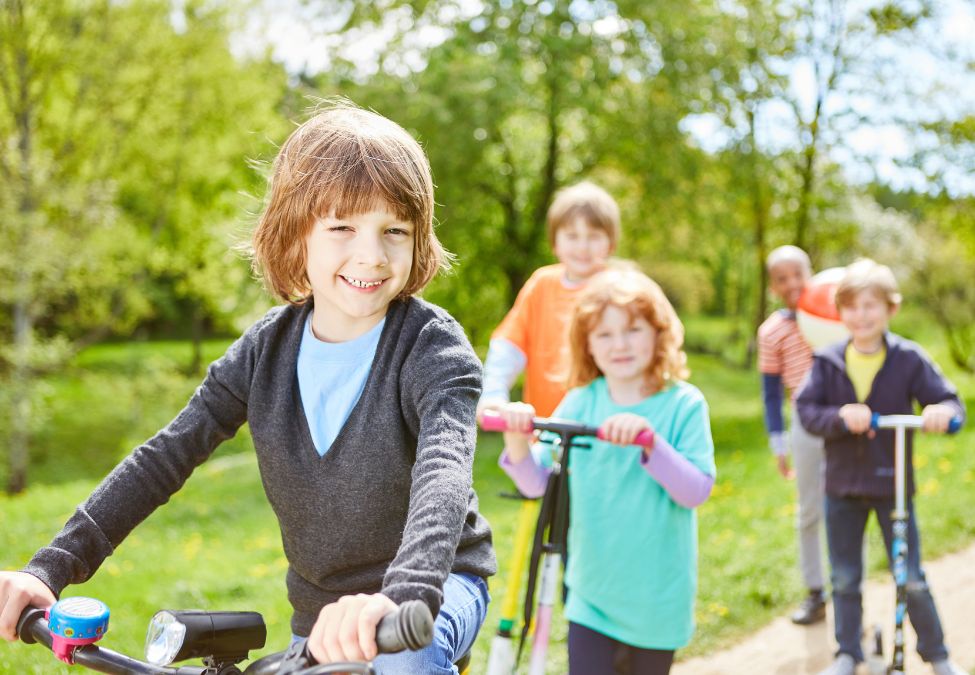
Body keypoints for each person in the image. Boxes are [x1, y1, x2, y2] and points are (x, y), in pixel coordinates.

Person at [0, 103, 496, 674]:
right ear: (295, 234)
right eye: (342, 227)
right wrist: (49, 568)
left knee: (404, 657)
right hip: (321, 620)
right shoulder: (265, 350)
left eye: (394, 231)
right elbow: (164, 458)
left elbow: (445, 474)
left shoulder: (434, 348)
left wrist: (402, 596)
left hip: (427, 596)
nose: (372, 254)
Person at [497, 268, 716, 675]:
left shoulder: (683, 405)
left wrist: (651, 443)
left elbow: (696, 491)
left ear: (658, 333)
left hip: (656, 600)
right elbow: (539, 486)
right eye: (604, 334)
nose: (619, 345)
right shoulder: (581, 402)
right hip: (591, 596)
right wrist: (515, 441)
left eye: (632, 330)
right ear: (588, 345)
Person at [797, 259, 967, 675]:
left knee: (910, 576)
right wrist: (841, 417)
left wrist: (939, 413)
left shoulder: (908, 358)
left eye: (871, 306)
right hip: (841, 487)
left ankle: (938, 653)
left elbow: (951, 403)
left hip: (892, 487)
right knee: (845, 578)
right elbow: (806, 411)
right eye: (852, 306)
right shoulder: (827, 361)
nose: (862, 315)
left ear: (891, 308)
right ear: (840, 312)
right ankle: (848, 653)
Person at [477, 180, 620, 421]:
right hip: (545, 428)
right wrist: (493, 393)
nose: (583, 247)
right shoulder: (542, 284)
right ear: (555, 242)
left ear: (611, 243)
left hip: (603, 429)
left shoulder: (618, 289)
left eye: (594, 236)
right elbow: (509, 345)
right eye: (572, 236)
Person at [757, 244, 828, 625]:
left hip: (845, 422)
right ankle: (816, 591)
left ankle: (852, 585)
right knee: (809, 511)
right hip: (804, 425)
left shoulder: (835, 314)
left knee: (850, 507)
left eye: (797, 274)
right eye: (781, 278)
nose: (792, 284)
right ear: (772, 286)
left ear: (810, 273)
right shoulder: (771, 331)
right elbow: (770, 393)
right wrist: (778, 442)